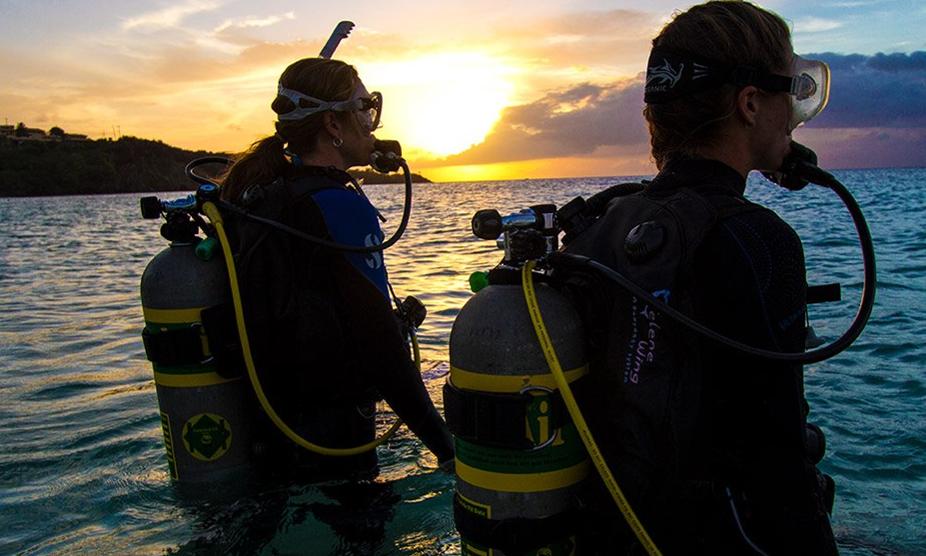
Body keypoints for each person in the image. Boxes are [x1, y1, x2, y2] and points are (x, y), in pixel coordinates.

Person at [564, 1, 838, 553]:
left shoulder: (599, 226)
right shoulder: (755, 237)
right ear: (751, 104)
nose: (795, 114)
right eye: (792, 90)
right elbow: (777, 456)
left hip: (610, 534)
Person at [219, 57, 454, 481]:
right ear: (333, 124)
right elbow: (379, 347)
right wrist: (445, 447)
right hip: (332, 446)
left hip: (271, 437)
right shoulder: (337, 205)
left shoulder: (266, 197)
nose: (371, 123)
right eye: (364, 108)